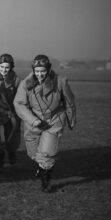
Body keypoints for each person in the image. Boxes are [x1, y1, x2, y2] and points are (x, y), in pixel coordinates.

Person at [14, 54, 76, 192]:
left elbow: (69, 102)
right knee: (33, 154)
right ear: (33, 70)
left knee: (47, 153)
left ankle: (45, 182)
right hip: (33, 123)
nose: (40, 74)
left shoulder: (60, 82)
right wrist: (34, 121)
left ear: (48, 69)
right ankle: (41, 167)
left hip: (53, 121)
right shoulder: (25, 84)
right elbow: (19, 104)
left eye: (42, 71)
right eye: (37, 71)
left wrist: (71, 120)